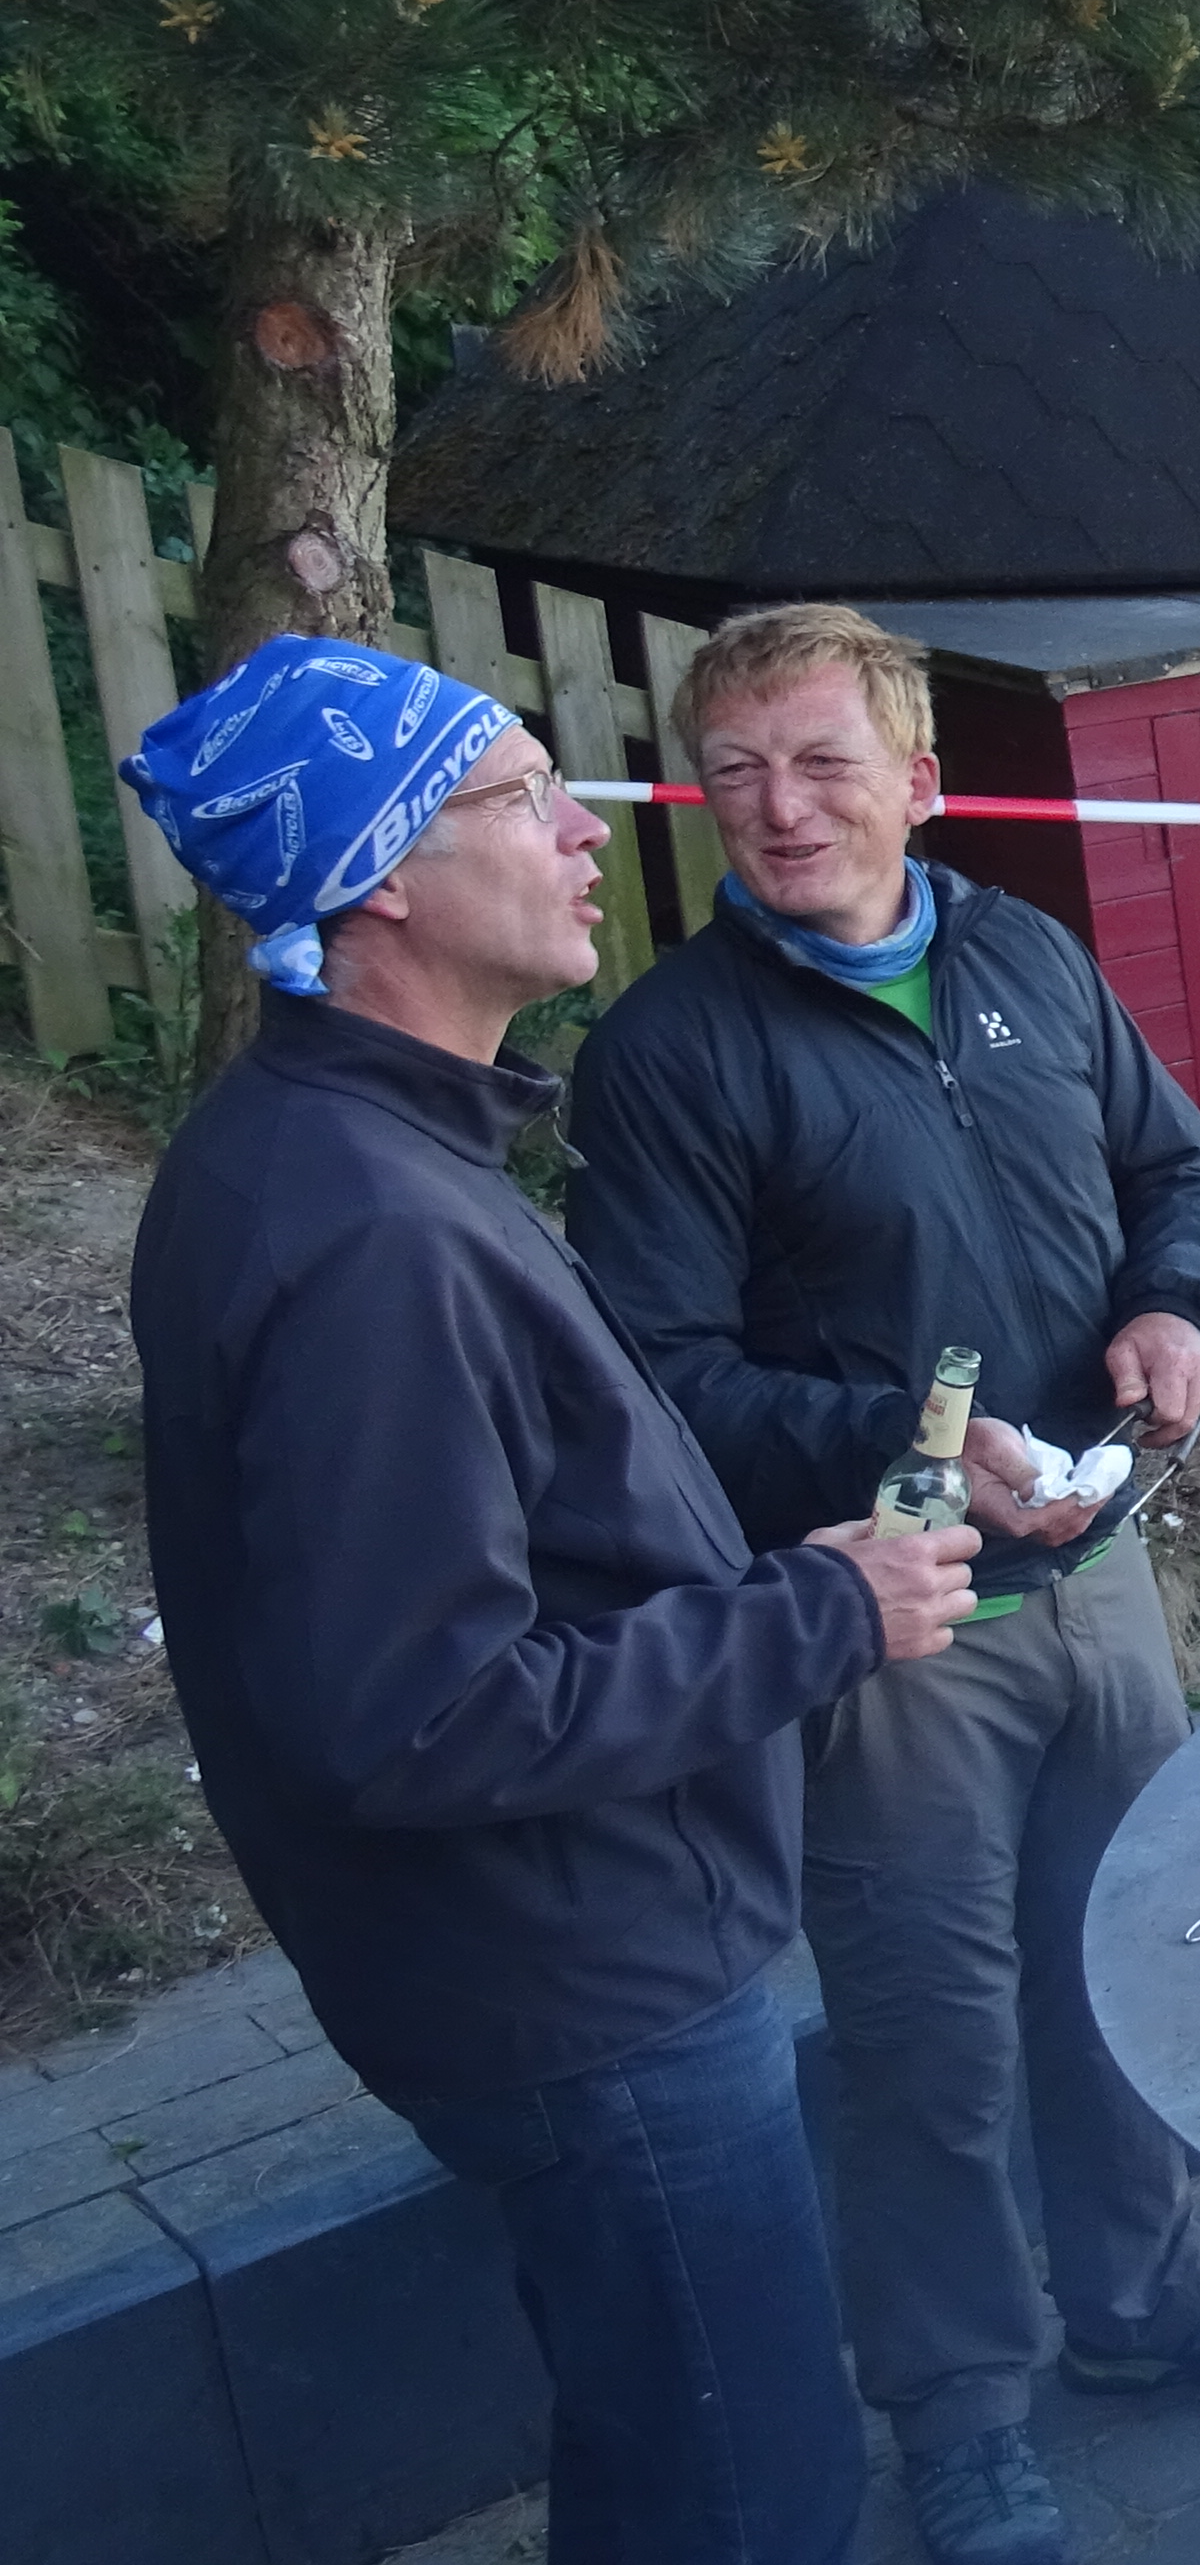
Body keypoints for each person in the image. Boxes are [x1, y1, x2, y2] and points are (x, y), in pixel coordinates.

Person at [122, 635, 980, 2564]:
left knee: (663, 2436)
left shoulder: (349, 1152)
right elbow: (417, 1713)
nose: (581, 828)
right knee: (745, 2490)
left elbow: (533, 1509)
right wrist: (819, 1616)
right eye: (518, 794)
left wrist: (831, 1500)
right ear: (382, 880)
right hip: (583, 1990)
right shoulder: (360, 1235)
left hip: (555, 1958)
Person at [563, 607, 1200, 2565]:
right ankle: (960, 2405)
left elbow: (1178, 1170)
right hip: (890, 1611)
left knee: (1127, 1963)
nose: (778, 805)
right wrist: (906, 1449)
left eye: (823, 760)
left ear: (922, 778)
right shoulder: (671, 1052)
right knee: (926, 2025)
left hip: (1100, 1566)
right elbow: (655, 1371)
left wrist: (1181, 1303)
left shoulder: (1024, 954)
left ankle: (1146, 2299)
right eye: (734, 769)